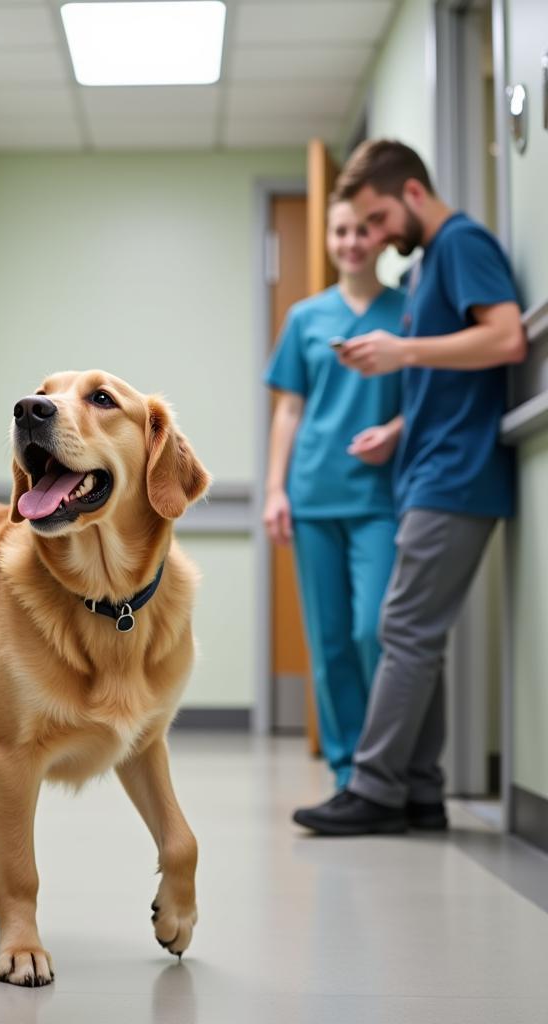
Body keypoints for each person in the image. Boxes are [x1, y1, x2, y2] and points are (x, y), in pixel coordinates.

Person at [292, 139, 526, 836]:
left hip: (456, 471)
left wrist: (402, 351)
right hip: (426, 462)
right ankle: (421, 789)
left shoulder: (459, 244)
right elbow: (450, 371)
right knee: (416, 633)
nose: (377, 236)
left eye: (381, 218)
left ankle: (374, 787)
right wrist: (398, 427)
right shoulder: (429, 265)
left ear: (413, 195)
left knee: (398, 628)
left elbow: (508, 338)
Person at [264, 199, 404, 791]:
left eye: (364, 230)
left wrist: (396, 433)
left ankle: (388, 765)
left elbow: (427, 395)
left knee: (374, 630)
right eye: (341, 230)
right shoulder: (306, 318)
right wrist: (275, 488)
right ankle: (349, 774)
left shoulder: (408, 311)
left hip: (380, 496)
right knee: (329, 642)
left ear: (381, 237)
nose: (352, 241)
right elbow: (290, 409)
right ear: (328, 238)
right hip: (314, 493)